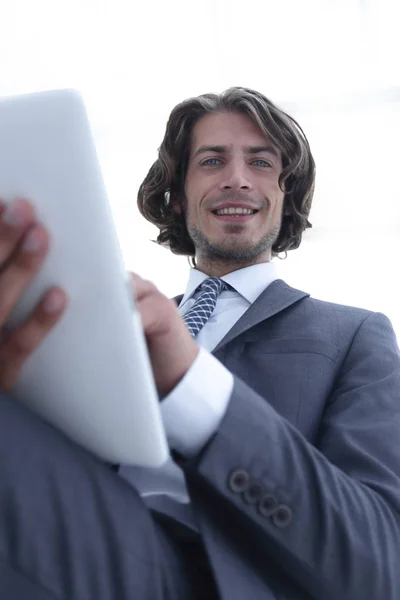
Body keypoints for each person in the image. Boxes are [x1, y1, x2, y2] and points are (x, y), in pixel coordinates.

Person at [0, 87, 399, 600]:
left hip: (218, 576)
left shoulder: (353, 336)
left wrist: (190, 382)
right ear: (178, 195)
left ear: (286, 194)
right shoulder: (110, 320)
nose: (237, 178)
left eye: (260, 162)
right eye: (212, 161)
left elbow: (381, 561)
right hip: (64, 537)